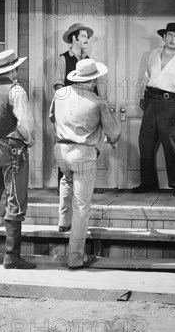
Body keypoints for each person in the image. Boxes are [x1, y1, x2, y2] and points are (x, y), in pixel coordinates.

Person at [49, 59, 121, 269]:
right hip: (83, 152)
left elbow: (52, 117)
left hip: (60, 149)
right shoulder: (98, 101)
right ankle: (76, 256)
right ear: (93, 79)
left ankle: (63, 221)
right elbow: (114, 133)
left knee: (66, 180)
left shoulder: (59, 94)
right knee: (81, 205)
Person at [0, 49, 36, 268]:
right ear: (13, 69)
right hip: (11, 147)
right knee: (16, 198)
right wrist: (29, 140)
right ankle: (12, 256)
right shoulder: (16, 90)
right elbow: (24, 123)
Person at [132, 22, 175, 196]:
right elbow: (147, 77)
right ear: (164, 37)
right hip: (151, 102)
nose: (173, 39)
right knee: (145, 144)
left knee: (173, 147)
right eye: (170, 35)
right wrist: (142, 96)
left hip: (172, 104)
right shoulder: (153, 54)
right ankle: (148, 183)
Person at [53, 22, 97, 230]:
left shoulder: (89, 61)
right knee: (67, 172)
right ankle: (65, 218)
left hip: (84, 118)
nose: (86, 39)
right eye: (82, 36)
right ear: (73, 39)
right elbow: (58, 86)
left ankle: (71, 218)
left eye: (87, 36)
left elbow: (95, 89)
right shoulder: (64, 59)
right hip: (68, 115)